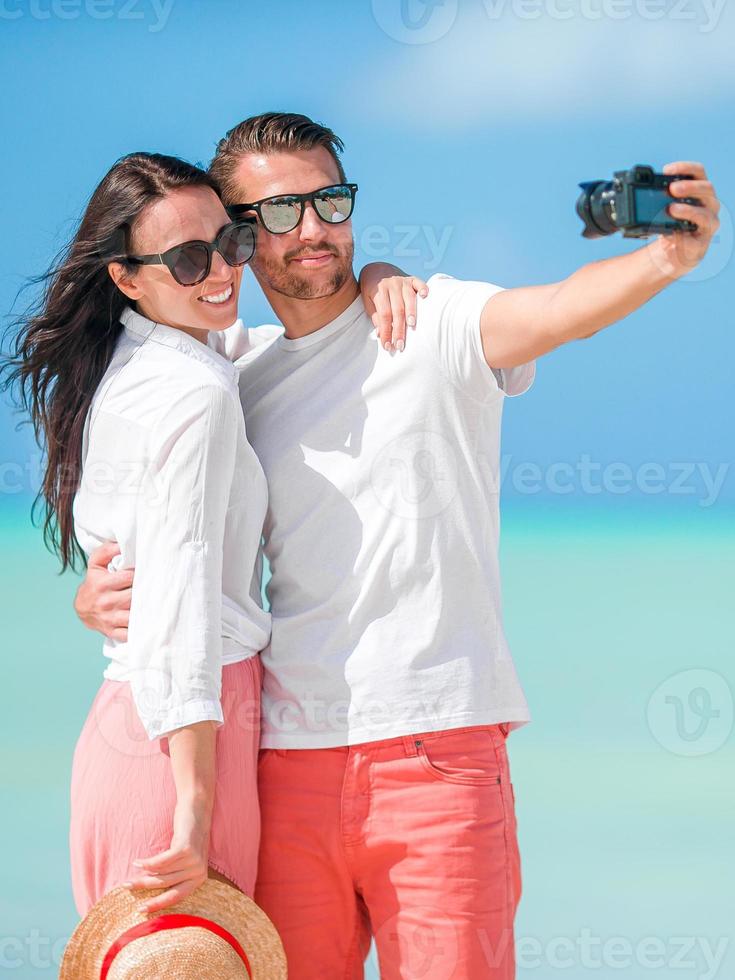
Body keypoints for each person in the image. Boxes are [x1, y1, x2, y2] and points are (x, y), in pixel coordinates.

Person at [73, 113, 721, 979]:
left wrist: (665, 259)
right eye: (277, 211)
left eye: (329, 201)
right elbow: (163, 495)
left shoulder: (435, 321)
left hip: (438, 758)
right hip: (281, 768)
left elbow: (563, 311)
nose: (312, 228)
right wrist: (100, 584)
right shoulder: (239, 377)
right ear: (233, 240)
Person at [1, 148, 420, 920]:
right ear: (126, 277)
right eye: (189, 260)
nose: (221, 273)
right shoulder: (191, 394)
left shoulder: (149, 362)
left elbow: (284, 352)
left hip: (137, 719)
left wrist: (374, 275)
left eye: (228, 243)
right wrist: (194, 811)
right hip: (188, 739)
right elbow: (184, 610)